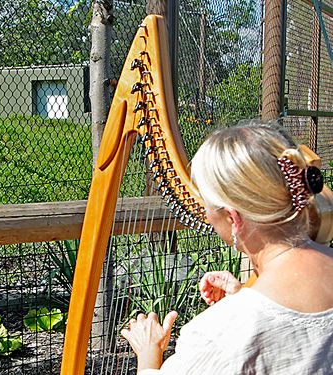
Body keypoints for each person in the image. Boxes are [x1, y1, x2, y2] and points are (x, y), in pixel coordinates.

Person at [120, 121, 333, 374]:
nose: (206, 214)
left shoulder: (219, 334)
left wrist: (148, 355)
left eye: (207, 204)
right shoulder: (240, 319)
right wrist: (245, 295)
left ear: (233, 219)